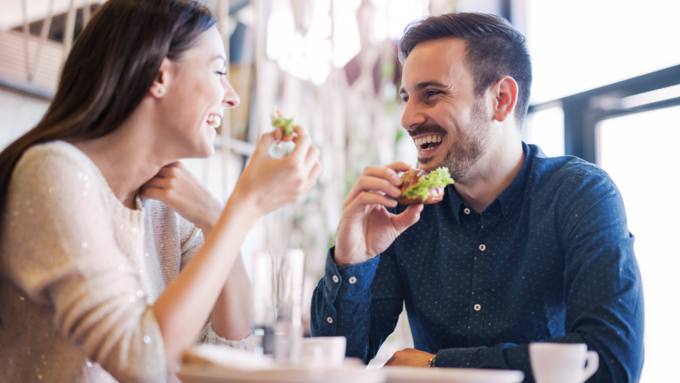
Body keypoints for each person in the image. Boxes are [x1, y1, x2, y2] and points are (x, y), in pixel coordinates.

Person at [311, 12, 643, 383]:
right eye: (405, 97)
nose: (407, 117)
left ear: (501, 99)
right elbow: (334, 366)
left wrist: (440, 366)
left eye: (431, 94)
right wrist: (351, 260)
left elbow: (613, 362)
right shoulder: (402, 213)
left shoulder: (580, 195)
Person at [0, 1, 322, 382]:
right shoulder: (51, 171)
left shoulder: (167, 209)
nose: (232, 96)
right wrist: (245, 207)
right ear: (159, 76)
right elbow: (141, 360)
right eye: (219, 71)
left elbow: (226, 354)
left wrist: (217, 218)